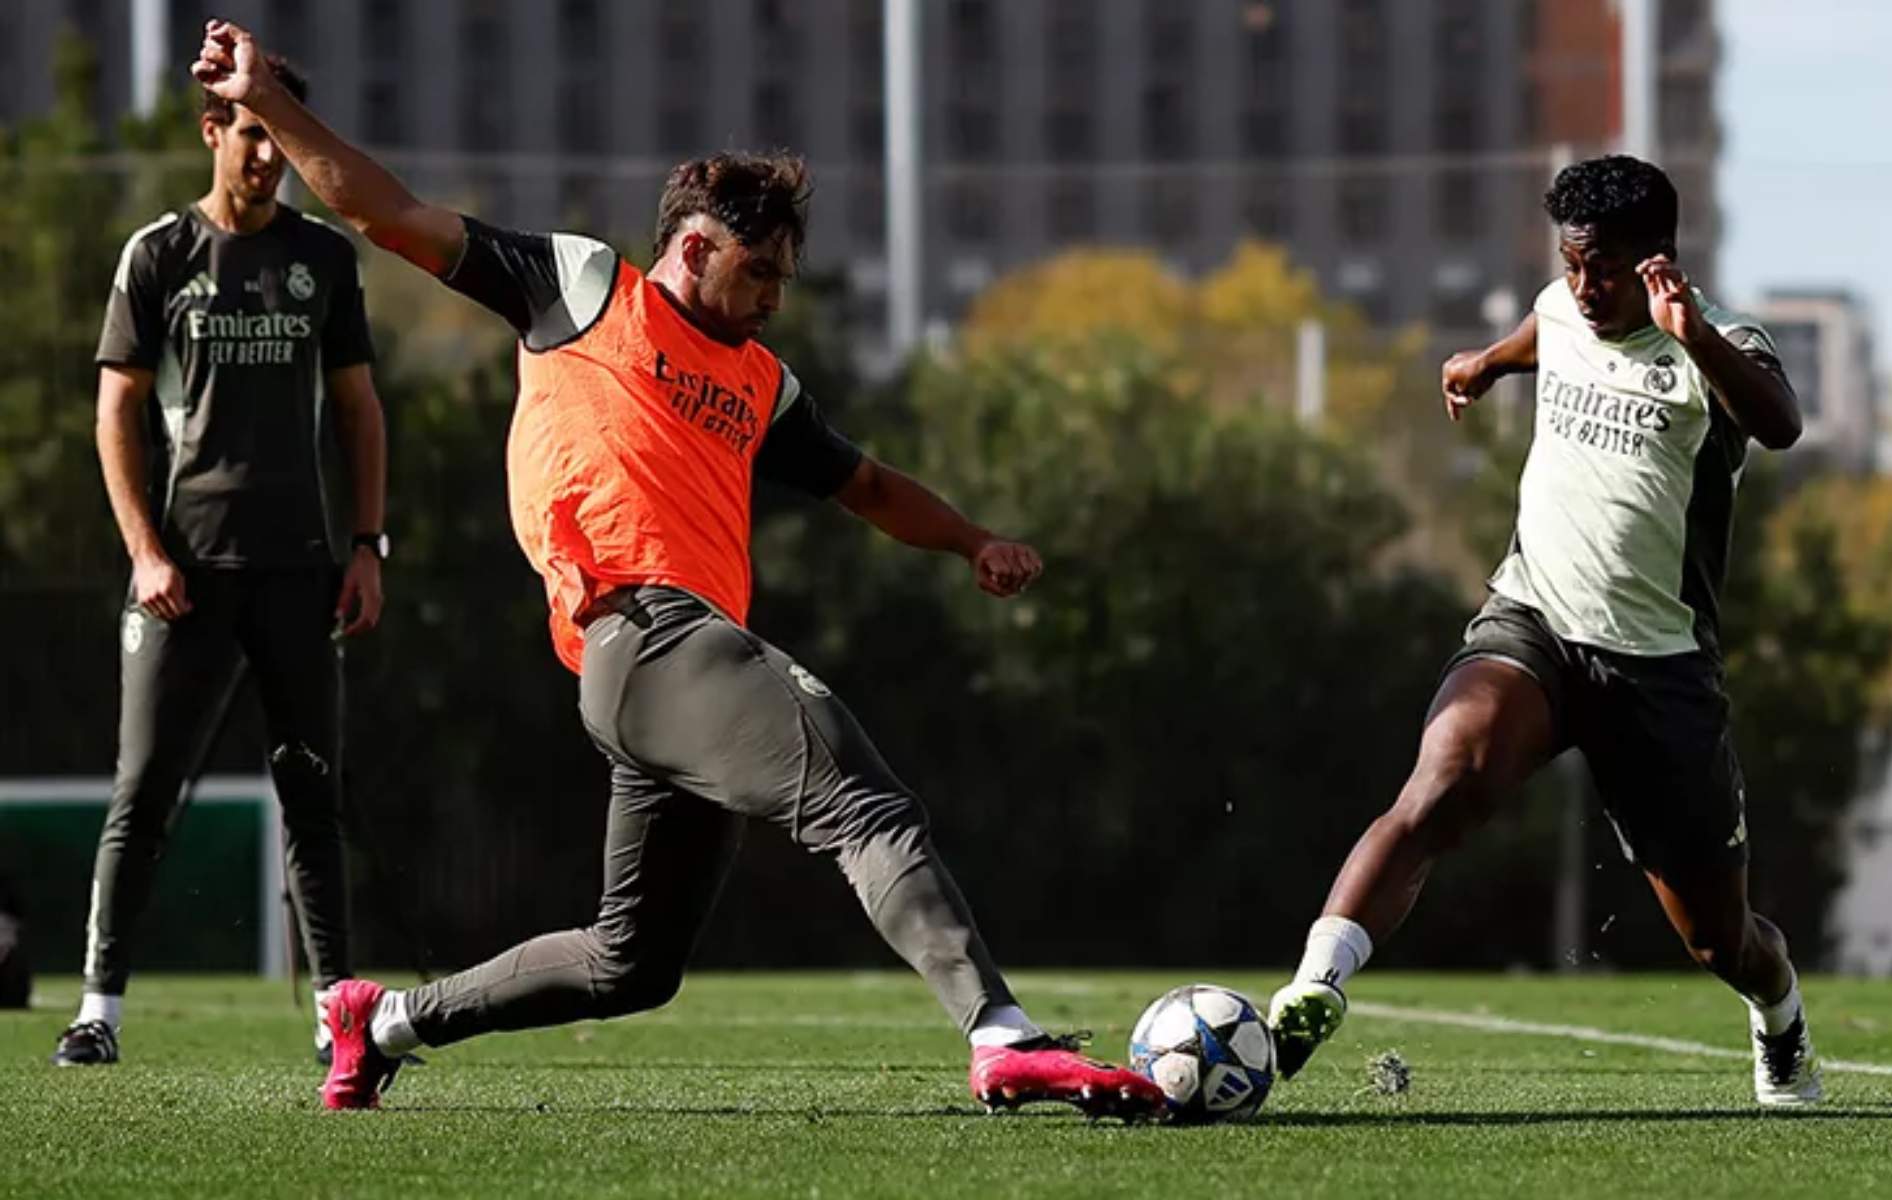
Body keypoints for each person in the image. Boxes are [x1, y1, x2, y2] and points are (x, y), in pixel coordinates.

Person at [190, 20, 1164, 1119]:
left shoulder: (761, 381)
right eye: (760, 273)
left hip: (659, 671)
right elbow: (380, 211)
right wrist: (269, 100)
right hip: (647, 634)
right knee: (865, 802)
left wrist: (972, 539)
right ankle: (1002, 1037)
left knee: (629, 964)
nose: (773, 299)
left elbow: (868, 484)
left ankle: (385, 1023)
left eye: (785, 280)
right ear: (694, 247)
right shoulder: (582, 287)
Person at [1267, 155, 1822, 1106]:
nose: (1583, 286)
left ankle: (1780, 1016)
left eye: (1603, 267)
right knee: (1441, 782)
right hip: (1535, 622)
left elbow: (1779, 425)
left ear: (1660, 261)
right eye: (1570, 263)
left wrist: (1695, 338)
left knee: (1715, 941)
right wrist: (1483, 364)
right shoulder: (1564, 306)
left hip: (1657, 670)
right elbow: (1543, 329)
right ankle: (1314, 985)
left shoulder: (1724, 343)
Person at [54, 54, 387, 1068]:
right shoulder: (158, 254)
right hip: (185, 572)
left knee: (311, 795)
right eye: (249, 130)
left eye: (279, 133)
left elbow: (360, 409)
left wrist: (367, 547)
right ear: (210, 132)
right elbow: (115, 411)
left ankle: (340, 1016)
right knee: (143, 793)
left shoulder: (323, 259)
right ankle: (98, 1012)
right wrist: (145, 552)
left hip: (299, 569)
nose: (267, 152)